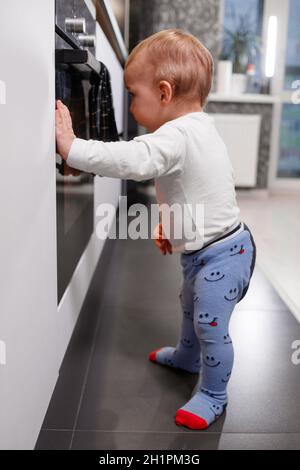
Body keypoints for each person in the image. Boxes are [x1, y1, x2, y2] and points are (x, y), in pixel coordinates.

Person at [55, 28, 256, 430]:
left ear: (164, 93)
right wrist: (173, 225)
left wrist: (71, 146)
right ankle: (187, 355)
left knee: (210, 325)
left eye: (134, 95)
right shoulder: (200, 127)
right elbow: (202, 188)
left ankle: (214, 393)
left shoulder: (176, 135)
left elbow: (132, 160)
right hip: (216, 247)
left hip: (223, 255)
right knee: (189, 306)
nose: (130, 106)